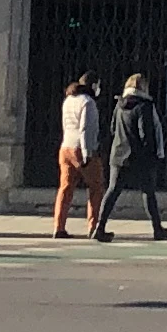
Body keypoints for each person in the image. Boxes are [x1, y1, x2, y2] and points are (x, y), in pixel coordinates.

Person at [92, 68, 167, 241]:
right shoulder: (144, 106)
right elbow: (146, 134)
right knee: (148, 192)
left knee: (112, 191)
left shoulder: (119, 105)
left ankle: (100, 226)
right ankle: (157, 229)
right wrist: (153, 155)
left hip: (119, 154)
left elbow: (113, 128)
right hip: (139, 157)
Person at [52, 73, 102, 238]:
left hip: (65, 147)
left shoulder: (68, 100)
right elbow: (85, 129)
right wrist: (87, 153)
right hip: (80, 148)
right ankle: (93, 226)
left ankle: (58, 227)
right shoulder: (88, 103)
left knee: (65, 188)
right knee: (96, 186)